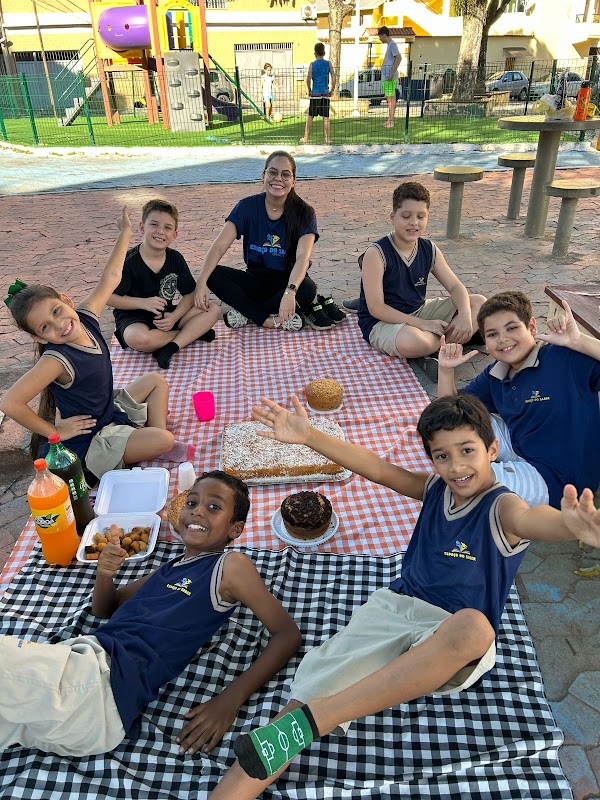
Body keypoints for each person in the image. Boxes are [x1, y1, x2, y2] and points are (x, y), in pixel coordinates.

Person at [207, 393, 600, 797]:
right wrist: (310, 437)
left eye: (467, 450)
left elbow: (533, 520)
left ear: (493, 449)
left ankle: (326, 715)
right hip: (394, 609)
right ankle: (280, 745)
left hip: (449, 634)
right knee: (293, 714)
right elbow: (378, 468)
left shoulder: (503, 507)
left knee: (476, 628)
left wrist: (571, 526)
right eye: (441, 455)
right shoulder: (434, 488)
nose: (456, 466)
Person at [0, 470, 301, 757]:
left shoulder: (228, 566)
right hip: (81, 712)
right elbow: (105, 609)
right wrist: (105, 573)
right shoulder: (169, 570)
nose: (197, 511)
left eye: (213, 507)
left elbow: (287, 635)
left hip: (100, 683)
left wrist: (230, 700)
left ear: (235, 528)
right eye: (192, 502)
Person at [1, 209, 195, 486]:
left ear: (66, 300)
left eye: (56, 311)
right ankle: (152, 445)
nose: (59, 325)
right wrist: (55, 431)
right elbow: (10, 403)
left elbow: (111, 278)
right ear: (39, 338)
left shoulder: (85, 317)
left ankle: (148, 444)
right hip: (91, 438)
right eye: (45, 327)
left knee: (156, 381)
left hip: (108, 410)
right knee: (163, 439)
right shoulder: (56, 360)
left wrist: (125, 232)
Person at [438, 290, 600, 508]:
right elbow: (450, 414)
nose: (503, 339)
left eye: (512, 328)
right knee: (457, 426)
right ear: (485, 341)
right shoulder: (496, 373)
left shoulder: (563, 357)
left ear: (532, 327)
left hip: (557, 477)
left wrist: (578, 340)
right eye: (492, 334)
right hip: (517, 447)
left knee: (465, 484)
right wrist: (446, 370)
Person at [194, 150, 345, 332]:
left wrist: (290, 292)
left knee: (307, 289)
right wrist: (201, 282)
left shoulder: (305, 213)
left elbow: (302, 258)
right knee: (213, 274)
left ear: (293, 181)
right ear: (263, 175)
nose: (278, 179)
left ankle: (248, 312)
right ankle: (266, 318)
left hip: (287, 279)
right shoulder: (246, 207)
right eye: (272, 172)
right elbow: (219, 246)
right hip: (256, 278)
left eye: (285, 174)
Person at [357, 181, 486, 372]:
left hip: (419, 310)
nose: (413, 223)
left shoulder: (429, 249)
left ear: (427, 218)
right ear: (393, 217)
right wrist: (423, 324)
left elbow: (455, 287)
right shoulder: (376, 253)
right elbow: (376, 308)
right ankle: (447, 343)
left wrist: (466, 316)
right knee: (414, 341)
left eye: (420, 216)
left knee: (479, 303)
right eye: (406, 216)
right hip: (383, 323)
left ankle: (438, 346)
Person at [108, 199, 220, 370]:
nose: (160, 231)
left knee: (213, 310)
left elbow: (190, 293)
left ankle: (170, 347)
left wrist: (175, 317)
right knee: (138, 339)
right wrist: (143, 303)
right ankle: (192, 335)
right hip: (134, 318)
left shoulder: (175, 258)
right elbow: (109, 297)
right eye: (154, 224)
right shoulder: (129, 261)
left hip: (166, 316)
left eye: (167, 227)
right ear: (142, 226)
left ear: (175, 234)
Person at [300, 42, 336, 146]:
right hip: (325, 93)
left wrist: (309, 89)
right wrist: (332, 89)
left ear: (315, 53)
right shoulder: (328, 63)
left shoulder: (312, 64)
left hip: (315, 94)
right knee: (326, 117)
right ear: (324, 52)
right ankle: (328, 139)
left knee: (311, 116)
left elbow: (308, 78)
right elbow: (333, 77)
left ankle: (306, 137)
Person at [378, 26, 402, 129]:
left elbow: (399, 58)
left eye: (380, 37)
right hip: (387, 76)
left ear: (384, 35)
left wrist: (392, 72)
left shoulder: (392, 45)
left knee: (391, 99)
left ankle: (391, 121)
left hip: (389, 77)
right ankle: (389, 120)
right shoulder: (390, 45)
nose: (380, 39)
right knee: (390, 99)